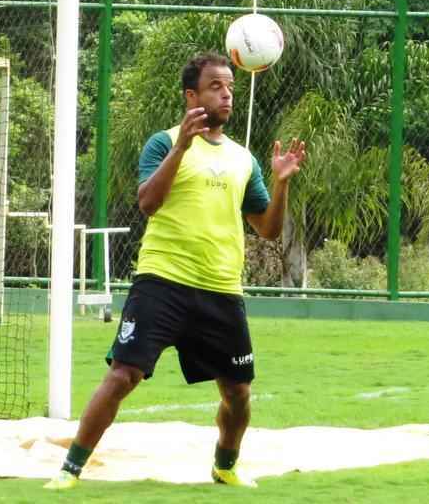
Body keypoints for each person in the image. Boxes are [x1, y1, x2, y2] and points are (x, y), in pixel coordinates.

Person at [45, 52, 307, 491]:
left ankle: (225, 466)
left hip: (221, 289)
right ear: (192, 96)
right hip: (162, 283)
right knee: (123, 375)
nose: (226, 95)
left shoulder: (244, 160)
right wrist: (184, 147)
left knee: (238, 393)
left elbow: (268, 228)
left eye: (230, 88)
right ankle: (69, 470)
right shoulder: (164, 143)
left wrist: (281, 184)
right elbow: (148, 203)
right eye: (215, 87)